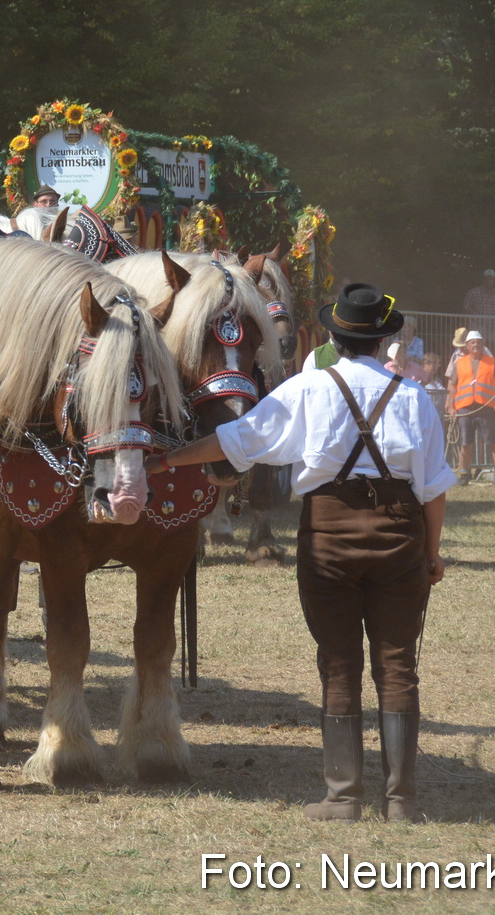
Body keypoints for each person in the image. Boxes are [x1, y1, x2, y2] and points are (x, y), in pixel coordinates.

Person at [146, 282, 453, 822]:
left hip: (329, 535)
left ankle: (342, 798)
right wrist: (432, 554)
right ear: (384, 342)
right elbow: (434, 490)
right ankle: (401, 801)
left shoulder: (309, 388)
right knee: (398, 665)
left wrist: (169, 461)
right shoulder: (412, 398)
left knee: (339, 665)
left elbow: (237, 441)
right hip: (400, 535)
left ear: (333, 336)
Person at [450, 330, 495, 484]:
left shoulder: (492, 361)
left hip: (486, 407)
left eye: (478, 342)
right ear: (467, 346)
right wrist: (450, 406)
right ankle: (464, 476)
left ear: (483, 344)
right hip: (465, 407)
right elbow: (452, 386)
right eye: (472, 342)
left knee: (493, 442)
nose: (475, 345)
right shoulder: (459, 363)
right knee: (465, 443)